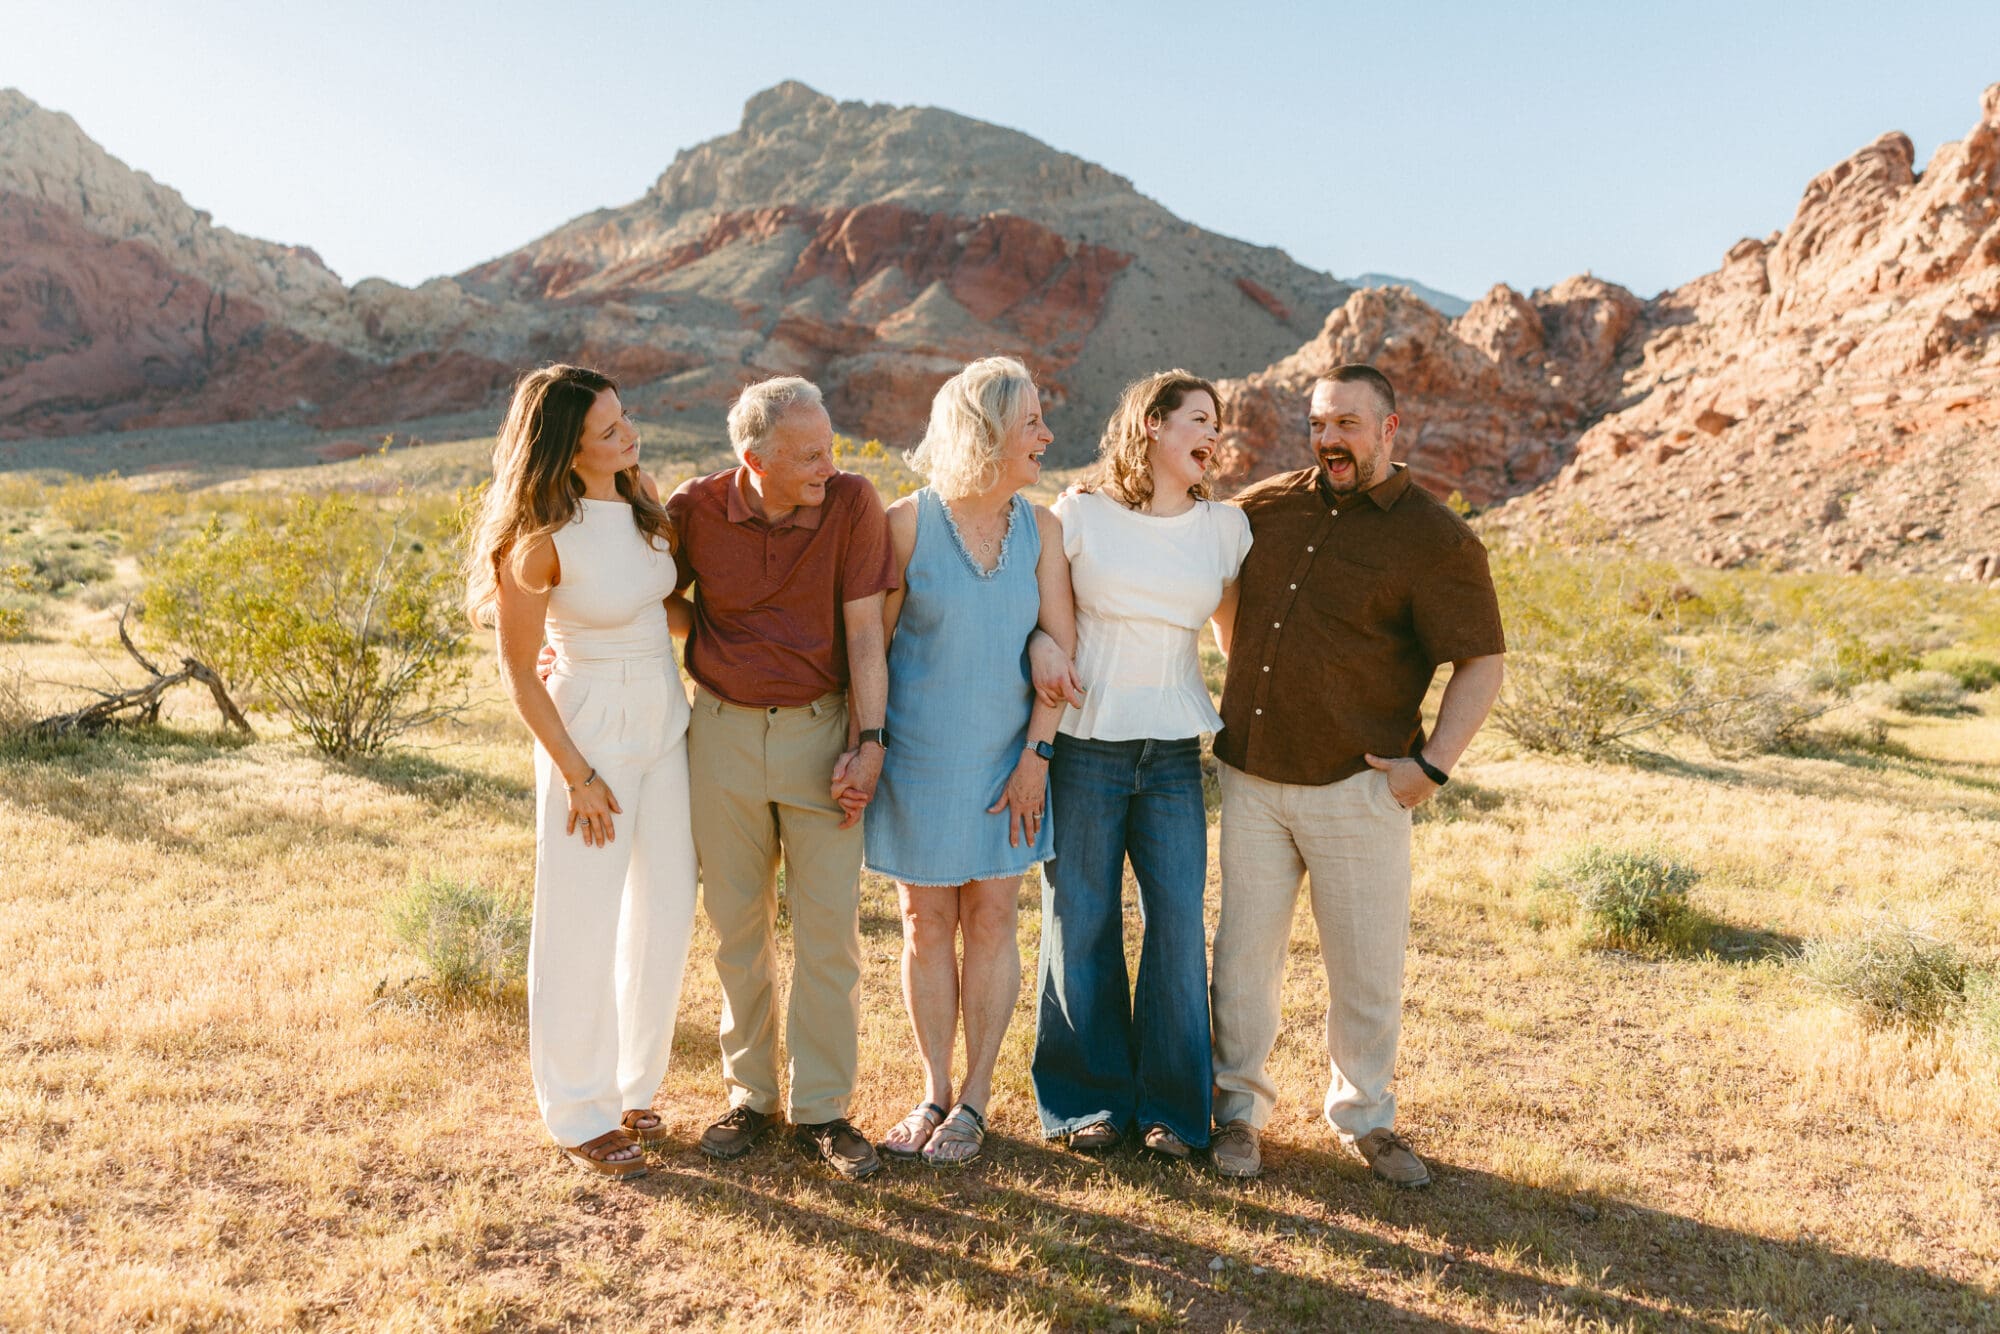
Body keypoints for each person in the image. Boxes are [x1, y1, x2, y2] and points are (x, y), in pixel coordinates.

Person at [1206, 363, 1506, 1186]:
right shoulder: (1266, 506)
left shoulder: (1436, 538)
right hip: (1255, 779)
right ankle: (1237, 1114)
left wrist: (1431, 767)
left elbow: (1482, 664)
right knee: (1241, 962)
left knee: (1366, 968)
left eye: (1347, 424)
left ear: (1389, 430)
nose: (1330, 439)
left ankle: (1365, 1116)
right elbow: (1223, 599)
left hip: (1360, 789)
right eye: (1319, 424)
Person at [467, 364, 699, 1180]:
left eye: (625, 417)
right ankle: (577, 1110)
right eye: (608, 430)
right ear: (567, 452)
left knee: (666, 913)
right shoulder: (536, 544)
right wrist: (577, 774)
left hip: (666, 725)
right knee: (580, 921)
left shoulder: (642, 505)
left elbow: (661, 606)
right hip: (588, 734)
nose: (628, 435)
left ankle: (636, 1088)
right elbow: (520, 671)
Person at [665, 376, 896, 1180]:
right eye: (808, 454)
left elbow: (865, 632)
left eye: (829, 447)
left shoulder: (852, 503)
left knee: (829, 933)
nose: (827, 465)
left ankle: (823, 1109)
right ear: (751, 457)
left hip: (820, 736)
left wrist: (871, 742)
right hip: (720, 736)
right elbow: (652, 594)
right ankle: (750, 1097)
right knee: (737, 929)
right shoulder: (694, 509)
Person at [1027, 370, 1250, 1161]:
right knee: (1080, 917)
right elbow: (1040, 618)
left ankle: (1172, 1110)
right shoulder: (1081, 514)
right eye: (1197, 419)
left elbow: (1237, 637)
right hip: (1085, 747)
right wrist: (1042, 649)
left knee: (1177, 925)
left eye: (1215, 425)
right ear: (1152, 426)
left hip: (1172, 757)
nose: (1211, 437)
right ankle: (1087, 1102)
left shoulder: (1225, 530)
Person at [866, 355, 1074, 1166]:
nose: (1047, 436)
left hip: (1011, 759)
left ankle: (977, 1100)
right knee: (924, 924)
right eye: (1031, 423)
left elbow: (1062, 647)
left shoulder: (1044, 528)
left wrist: (1038, 757)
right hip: (920, 759)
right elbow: (871, 650)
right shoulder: (905, 524)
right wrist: (871, 746)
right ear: (987, 432)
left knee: (991, 919)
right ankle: (932, 1089)